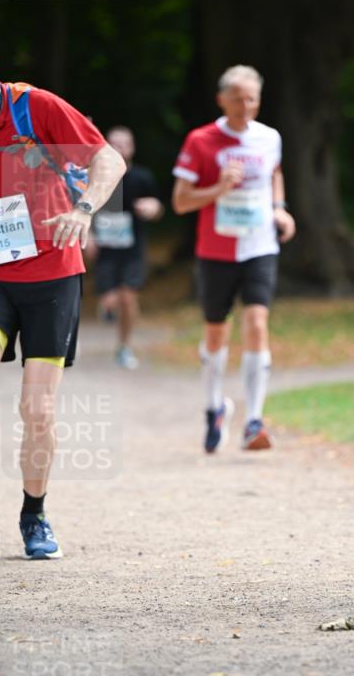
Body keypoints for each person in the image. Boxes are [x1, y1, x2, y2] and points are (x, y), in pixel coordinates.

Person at [0, 19, 125, 563]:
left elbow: (109, 158)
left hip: (51, 274)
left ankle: (34, 513)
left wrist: (84, 209)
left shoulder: (32, 108)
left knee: (37, 409)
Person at [172, 65, 296, 452]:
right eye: (237, 99)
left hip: (259, 246)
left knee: (257, 322)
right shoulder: (201, 140)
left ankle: (254, 419)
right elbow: (180, 201)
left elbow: (274, 173)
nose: (245, 106)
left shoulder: (269, 138)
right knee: (216, 332)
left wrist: (279, 208)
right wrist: (217, 188)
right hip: (216, 249)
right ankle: (214, 408)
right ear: (221, 100)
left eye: (252, 99)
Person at [86, 126, 164, 369]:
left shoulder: (142, 178)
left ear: (132, 148)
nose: (119, 148)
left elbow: (159, 207)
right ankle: (108, 305)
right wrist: (88, 235)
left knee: (128, 298)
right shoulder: (94, 177)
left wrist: (153, 208)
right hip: (105, 250)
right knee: (110, 299)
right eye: (113, 144)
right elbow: (81, 206)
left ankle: (124, 346)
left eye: (124, 144)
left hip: (133, 248)